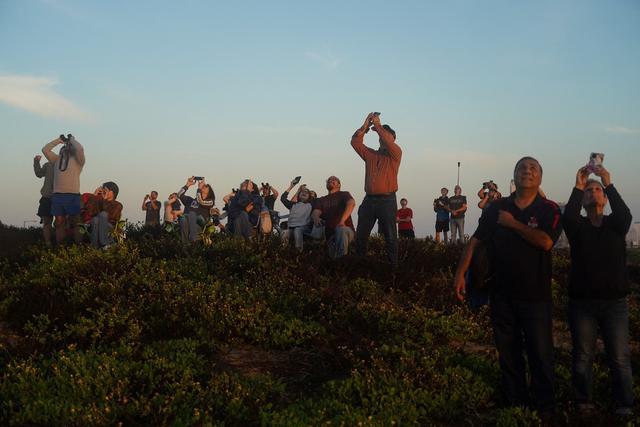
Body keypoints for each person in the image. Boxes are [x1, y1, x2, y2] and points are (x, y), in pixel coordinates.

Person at [453, 157, 562, 416]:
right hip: (501, 294)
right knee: (508, 354)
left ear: (540, 177)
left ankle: (545, 408)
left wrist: (513, 224)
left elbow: (546, 242)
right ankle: (516, 405)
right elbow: (476, 241)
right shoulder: (496, 207)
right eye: (522, 168)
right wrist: (460, 274)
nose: (527, 171)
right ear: (514, 176)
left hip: (535, 296)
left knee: (540, 353)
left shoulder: (549, 209)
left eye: (533, 168)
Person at [562, 165, 634, 417]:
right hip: (582, 303)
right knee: (582, 355)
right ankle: (583, 401)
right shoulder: (577, 226)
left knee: (620, 357)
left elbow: (625, 214)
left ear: (604, 198)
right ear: (583, 200)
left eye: (598, 190)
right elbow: (567, 217)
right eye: (589, 191)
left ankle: (625, 404)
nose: (593, 192)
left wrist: (608, 182)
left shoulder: (616, 224)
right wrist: (578, 183)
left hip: (615, 303)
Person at [351, 112, 402, 266]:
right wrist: (365, 125)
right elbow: (355, 142)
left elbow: (387, 140)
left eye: (386, 137)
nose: (382, 139)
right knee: (361, 235)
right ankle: (360, 266)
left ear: (392, 139)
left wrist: (378, 125)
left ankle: (393, 268)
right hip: (369, 200)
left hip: (387, 200)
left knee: (391, 237)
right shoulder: (371, 155)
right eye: (381, 137)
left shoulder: (396, 154)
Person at [42, 134, 85, 245]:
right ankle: (61, 247)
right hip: (58, 195)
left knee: (77, 222)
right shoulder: (56, 160)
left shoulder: (79, 160)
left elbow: (80, 149)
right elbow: (45, 150)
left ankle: (78, 245)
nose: (67, 148)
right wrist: (59, 140)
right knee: (59, 223)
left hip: (73, 195)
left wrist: (72, 140)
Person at [311, 176, 356, 259]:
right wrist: (316, 218)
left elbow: (351, 203)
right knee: (331, 259)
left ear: (339, 184)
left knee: (340, 229)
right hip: (330, 235)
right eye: (329, 180)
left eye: (334, 179)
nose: (331, 181)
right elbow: (315, 212)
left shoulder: (344, 194)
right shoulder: (321, 200)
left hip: (346, 230)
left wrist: (342, 221)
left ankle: (342, 262)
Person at [177, 177, 216, 243]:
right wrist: (188, 184)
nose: (203, 186)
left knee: (191, 214)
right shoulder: (190, 200)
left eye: (206, 186)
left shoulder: (210, 201)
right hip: (188, 221)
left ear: (209, 192)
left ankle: (193, 238)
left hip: (200, 222)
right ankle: (185, 243)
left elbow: (201, 201)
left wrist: (199, 189)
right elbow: (179, 195)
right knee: (183, 219)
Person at [84, 182, 123, 248]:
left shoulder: (118, 205)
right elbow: (90, 212)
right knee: (95, 219)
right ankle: (95, 245)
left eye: (106, 190)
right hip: (96, 223)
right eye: (103, 190)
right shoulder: (99, 201)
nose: (104, 192)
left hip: (109, 225)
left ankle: (104, 243)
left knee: (103, 214)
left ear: (112, 192)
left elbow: (112, 217)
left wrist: (104, 200)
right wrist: (94, 195)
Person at [280, 180, 313, 250]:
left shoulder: (311, 205)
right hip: (291, 228)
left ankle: (299, 253)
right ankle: (283, 253)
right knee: (285, 233)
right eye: (302, 192)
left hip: (304, 228)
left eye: (306, 192)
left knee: (297, 230)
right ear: (298, 195)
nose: (304, 193)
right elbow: (283, 198)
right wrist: (292, 186)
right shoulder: (293, 205)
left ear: (309, 197)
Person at [33, 154, 54, 246]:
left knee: (60, 222)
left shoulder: (65, 166)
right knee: (47, 222)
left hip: (59, 197)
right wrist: (36, 162)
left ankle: (57, 244)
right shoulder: (49, 165)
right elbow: (39, 173)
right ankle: (48, 244)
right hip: (47, 197)